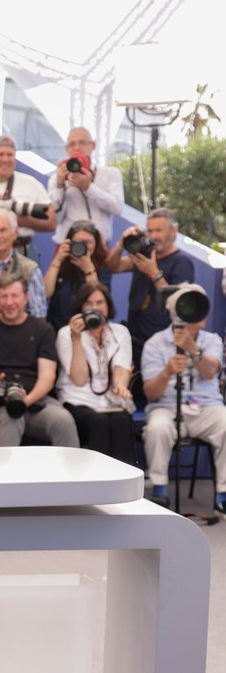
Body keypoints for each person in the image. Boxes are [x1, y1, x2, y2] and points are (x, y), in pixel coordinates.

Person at [0, 273, 78, 447]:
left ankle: (72, 474)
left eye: (15, 296)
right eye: (4, 296)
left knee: (62, 420)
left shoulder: (43, 330)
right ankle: (0, 475)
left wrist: (24, 401)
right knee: (12, 419)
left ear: (26, 298)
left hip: (36, 401)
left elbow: (47, 378)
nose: (9, 302)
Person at [140, 292, 226, 512]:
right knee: (157, 428)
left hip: (207, 407)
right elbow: (150, 393)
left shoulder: (212, 340)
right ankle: (160, 490)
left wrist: (193, 350)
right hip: (166, 406)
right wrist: (167, 372)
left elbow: (210, 372)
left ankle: (222, 494)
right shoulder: (155, 343)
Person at [106, 209, 195, 377]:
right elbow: (114, 267)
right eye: (150, 230)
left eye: (158, 230)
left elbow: (180, 303)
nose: (153, 236)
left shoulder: (182, 262)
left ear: (173, 232)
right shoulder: (144, 255)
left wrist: (153, 273)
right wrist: (121, 244)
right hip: (135, 335)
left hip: (162, 341)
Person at [55, 280, 135, 465]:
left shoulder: (120, 332)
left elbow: (122, 368)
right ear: (80, 307)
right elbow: (79, 378)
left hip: (110, 400)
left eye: (100, 303)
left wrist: (121, 386)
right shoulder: (66, 333)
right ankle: (99, 482)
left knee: (121, 420)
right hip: (78, 399)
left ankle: (122, 483)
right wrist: (76, 339)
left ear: (108, 305)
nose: (95, 308)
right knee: (98, 422)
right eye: (89, 304)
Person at [47, 126, 125, 243]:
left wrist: (88, 187)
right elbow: (55, 218)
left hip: (100, 246)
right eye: (72, 144)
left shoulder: (110, 173)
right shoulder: (57, 178)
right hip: (67, 244)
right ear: (66, 149)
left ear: (93, 145)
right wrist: (60, 185)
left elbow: (117, 208)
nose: (77, 148)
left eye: (82, 142)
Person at [44, 220, 110, 333]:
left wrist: (89, 270)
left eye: (88, 242)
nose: (83, 246)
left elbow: (96, 300)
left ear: (96, 244)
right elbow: (46, 293)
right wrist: (57, 260)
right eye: (79, 242)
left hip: (90, 329)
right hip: (59, 328)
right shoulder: (62, 263)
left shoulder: (102, 266)